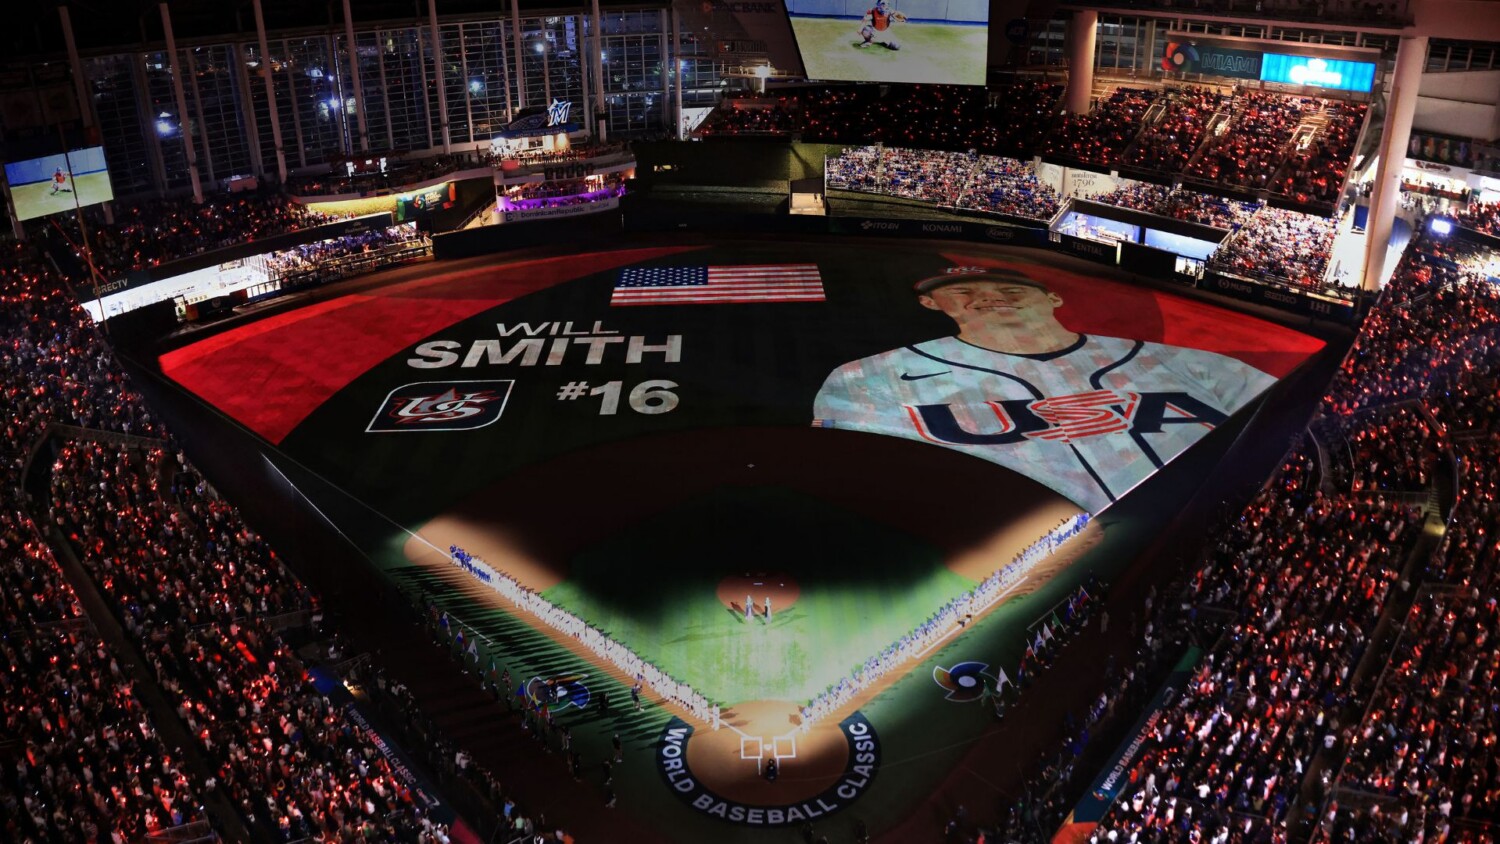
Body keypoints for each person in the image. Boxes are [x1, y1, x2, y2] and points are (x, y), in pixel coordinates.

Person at [812, 267, 1275, 512]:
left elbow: (1288, 433)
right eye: (962, 290)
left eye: (1011, 287)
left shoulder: (1190, 364)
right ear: (930, 303)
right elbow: (858, 481)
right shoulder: (872, 376)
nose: (990, 294)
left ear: (1052, 297)